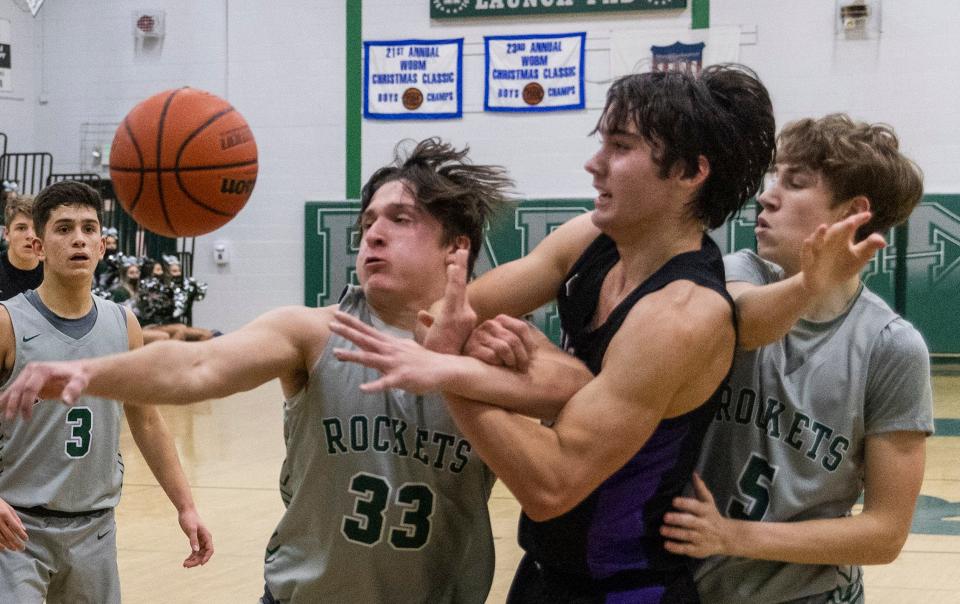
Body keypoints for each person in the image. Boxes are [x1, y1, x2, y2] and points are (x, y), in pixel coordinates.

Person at [0, 140, 591, 603]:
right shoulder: (312, 332)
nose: (374, 232)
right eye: (368, 222)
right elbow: (197, 365)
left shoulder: (490, 346)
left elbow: (580, 396)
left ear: (454, 248)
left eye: (401, 219)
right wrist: (87, 373)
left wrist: (461, 369)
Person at [329, 65, 777, 602]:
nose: (594, 164)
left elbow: (552, 484)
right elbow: (439, 318)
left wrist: (452, 372)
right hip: (543, 576)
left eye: (620, 146)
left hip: (627, 588)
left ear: (688, 172)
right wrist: (512, 363)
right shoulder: (589, 239)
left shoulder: (682, 315)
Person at [659, 114, 933, 603]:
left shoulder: (891, 346)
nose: (767, 195)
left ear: (853, 212)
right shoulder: (733, 273)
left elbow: (885, 533)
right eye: (772, 177)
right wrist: (811, 283)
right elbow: (743, 317)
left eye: (794, 182)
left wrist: (732, 536)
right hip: (693, 587)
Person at [0, 180, 213, 603]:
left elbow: (148, 422)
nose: (78, 238)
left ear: (102, 246)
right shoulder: (8, 324)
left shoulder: (124, 325)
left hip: (94, 529)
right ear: (39, 246)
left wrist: (186, 506)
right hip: (16, 530)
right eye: (63, 229)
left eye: (89, 228)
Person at [0, 193, 43, 300]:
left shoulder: (56, 273)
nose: (30, 236)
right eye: (21, 228)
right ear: (6, 234)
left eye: (36, 228)